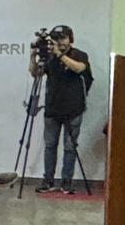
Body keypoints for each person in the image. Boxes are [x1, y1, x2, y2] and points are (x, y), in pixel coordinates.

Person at [28, 24, 92, 194]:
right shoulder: (49, 57)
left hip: (74, 108)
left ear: (71, 38)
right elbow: (36, 73)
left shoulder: (80, 55)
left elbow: (79, 68)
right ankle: (48, 181)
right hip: (52, 108)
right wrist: (33, 57)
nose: (60, 42)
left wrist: (59, 54)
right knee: (50, 146)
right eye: (56, 38)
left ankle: (67, 182)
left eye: (63, 38)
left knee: (70, 147)